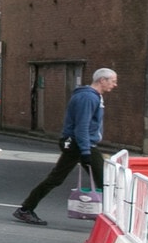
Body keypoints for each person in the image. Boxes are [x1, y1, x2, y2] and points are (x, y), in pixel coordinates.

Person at [13, 68, 118, 225]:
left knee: (58, 178)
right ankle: (112, 219)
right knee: (105, 180)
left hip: (79, 143)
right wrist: (85, 151)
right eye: (113, 81)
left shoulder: (91, 96)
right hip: (80, 144)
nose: (115, 84)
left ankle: (26, 209)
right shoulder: (88, 97)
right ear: (102, 80)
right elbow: (82, 126)